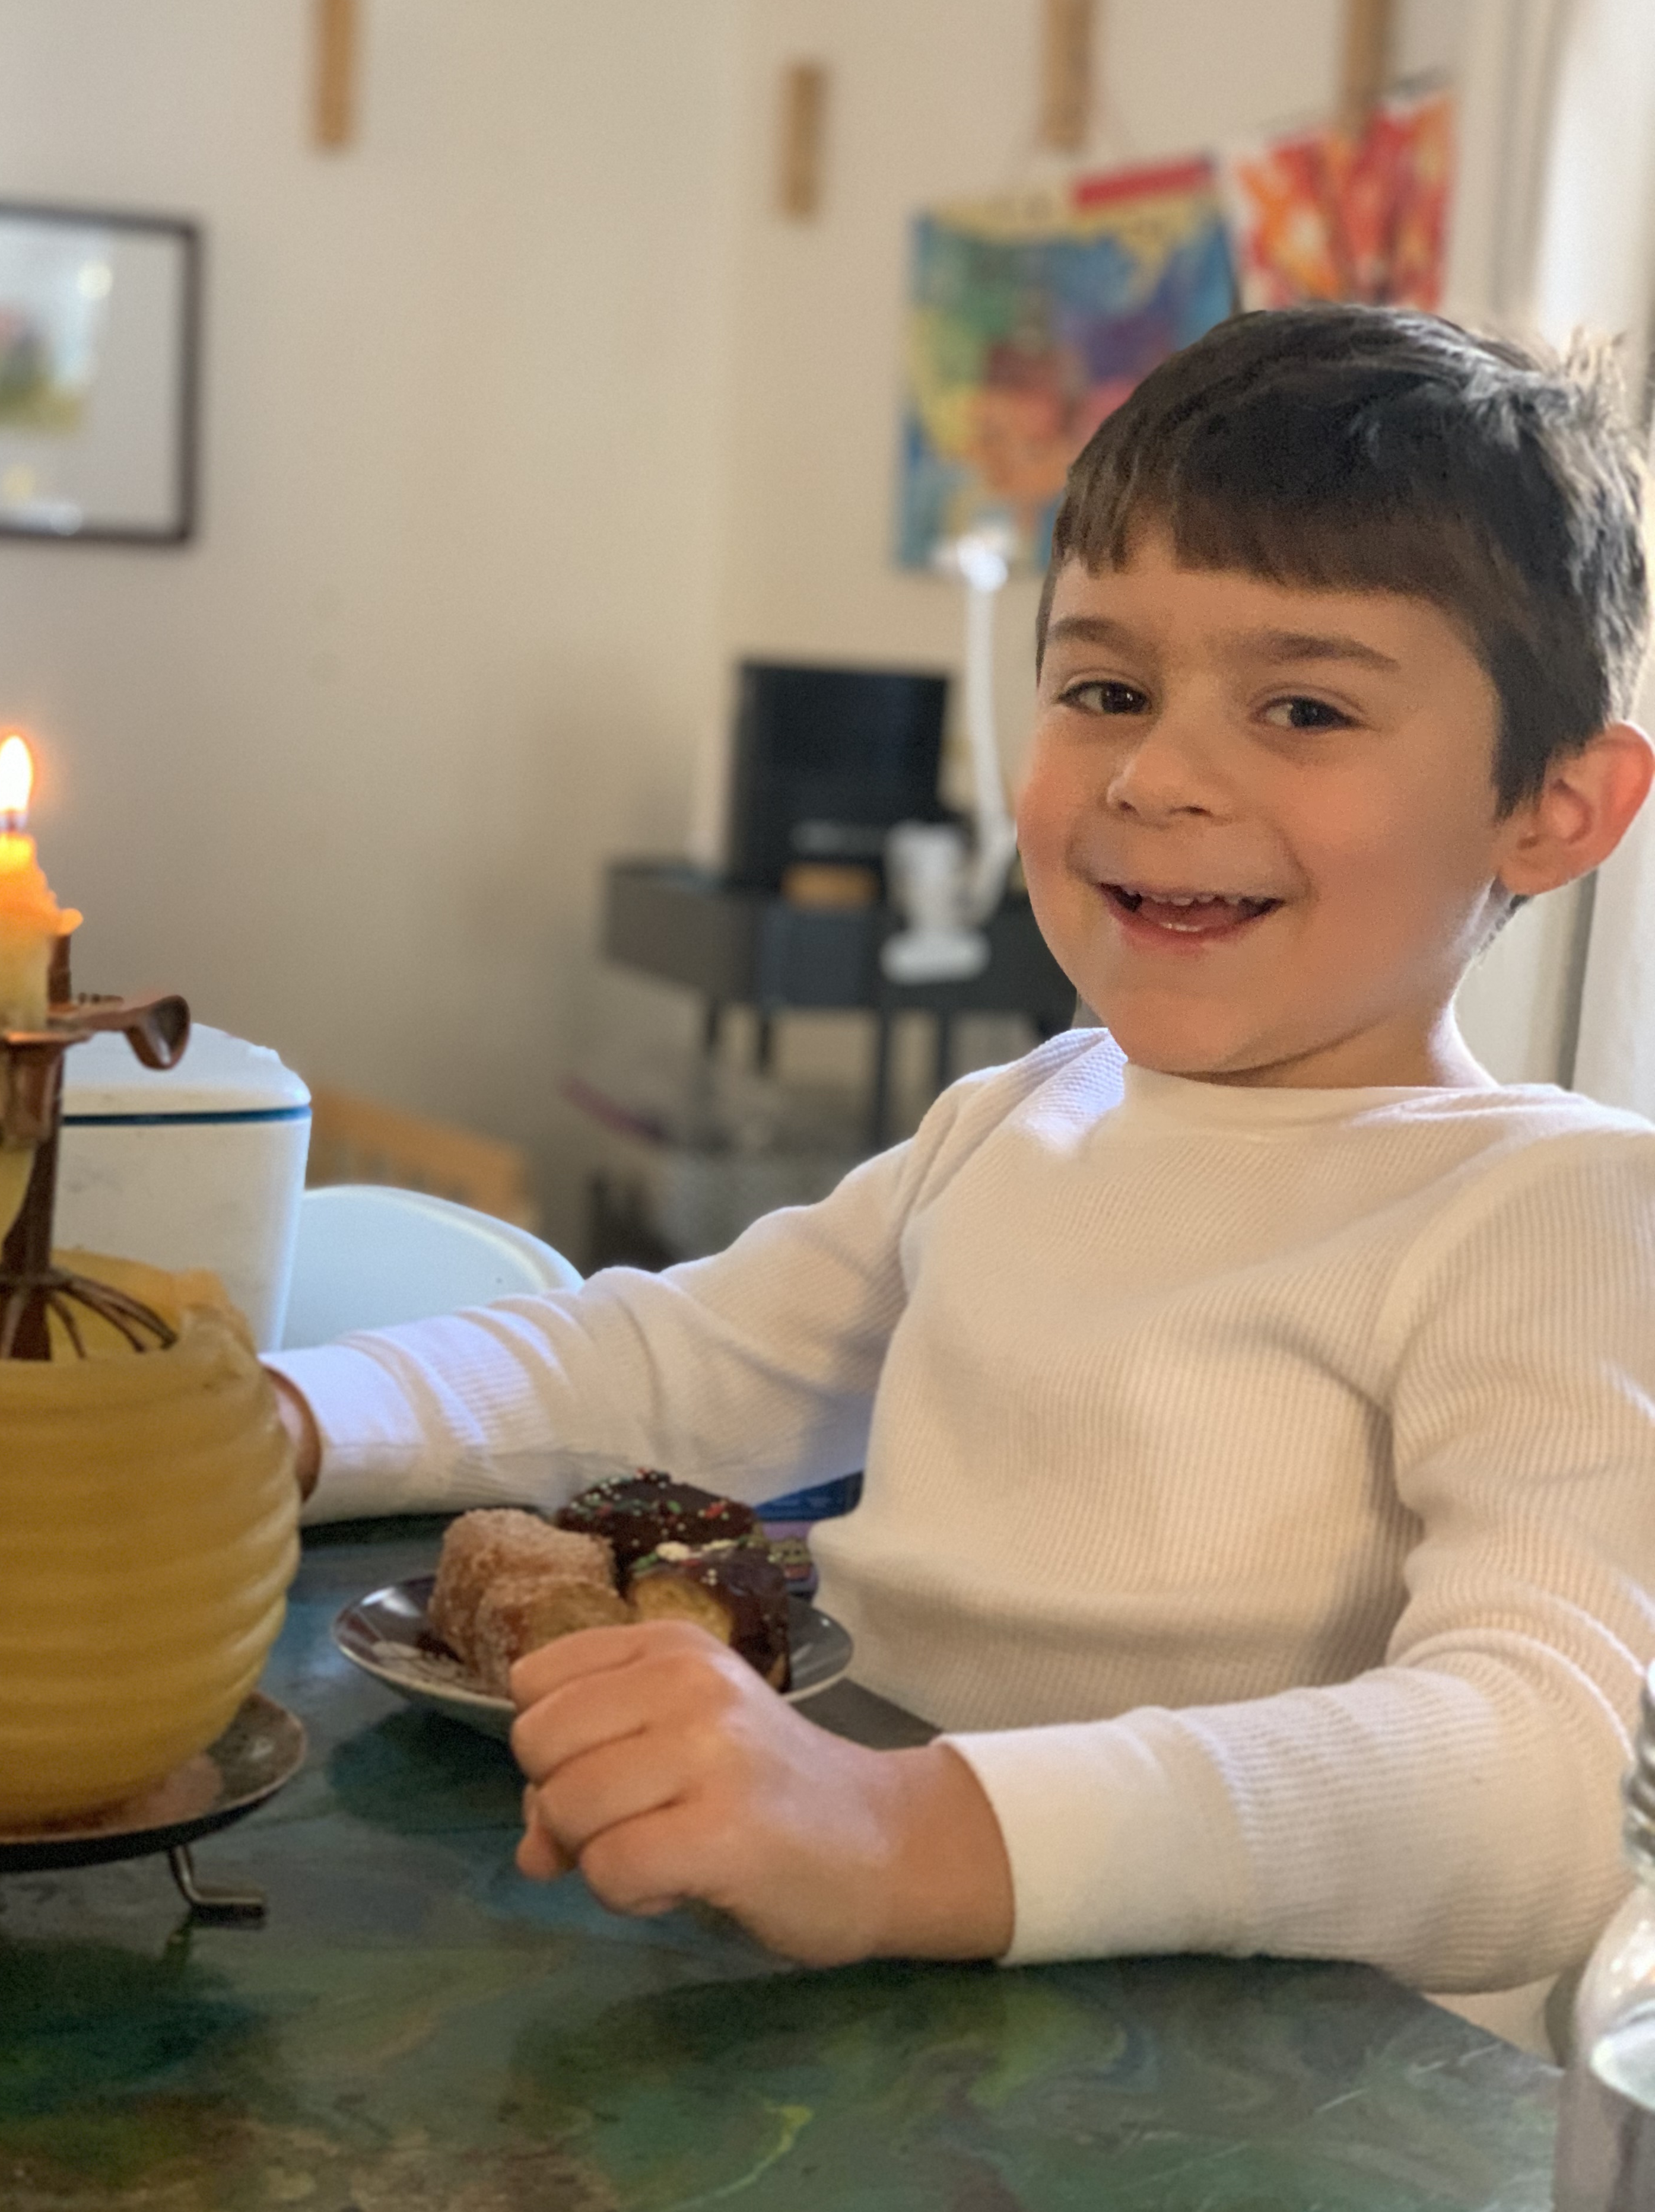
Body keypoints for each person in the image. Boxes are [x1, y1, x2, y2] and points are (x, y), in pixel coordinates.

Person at [269, 306, 1655, 2013]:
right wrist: (280, 1419)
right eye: (1106, 690)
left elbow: (1553, 1773)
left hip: (1211, 2082)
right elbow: (679, 1360)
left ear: (1556, 811)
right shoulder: (1021, 1116)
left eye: (1303, 707)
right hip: (867, 1979)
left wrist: (905, 1831)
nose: (1156, 775)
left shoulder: (1554, 1211)